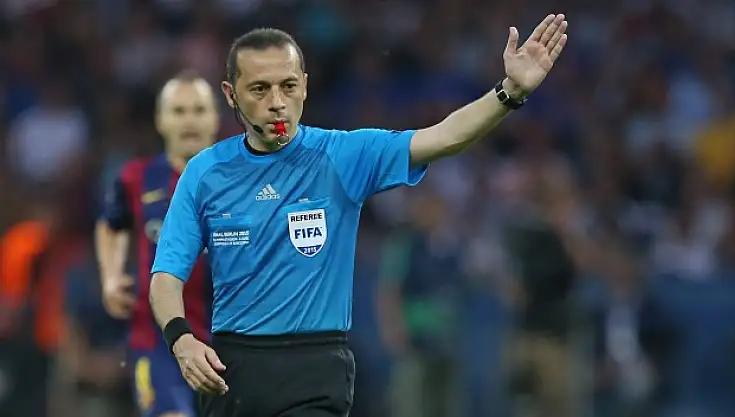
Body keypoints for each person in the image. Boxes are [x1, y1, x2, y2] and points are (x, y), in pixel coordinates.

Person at [150, 15, 568, 417]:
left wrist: (509, 92)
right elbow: (166, 276)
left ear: (305, 86)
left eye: (288, 86)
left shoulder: (342, 155)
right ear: (230, 94)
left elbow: (444, 137)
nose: (277, 103)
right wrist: (181, 339)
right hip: (231, 369)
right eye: (259, 89)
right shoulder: (205, 173)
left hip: (316, 367)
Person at [95, 70, 220, 417]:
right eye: (178, 111)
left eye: (198, 110)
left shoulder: (240, 180)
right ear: (160, 120)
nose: (189, 120)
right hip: (157, 343)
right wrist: (111, 276)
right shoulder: (137, 178)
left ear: (215, 117)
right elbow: (111, 224)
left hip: (230, 342)